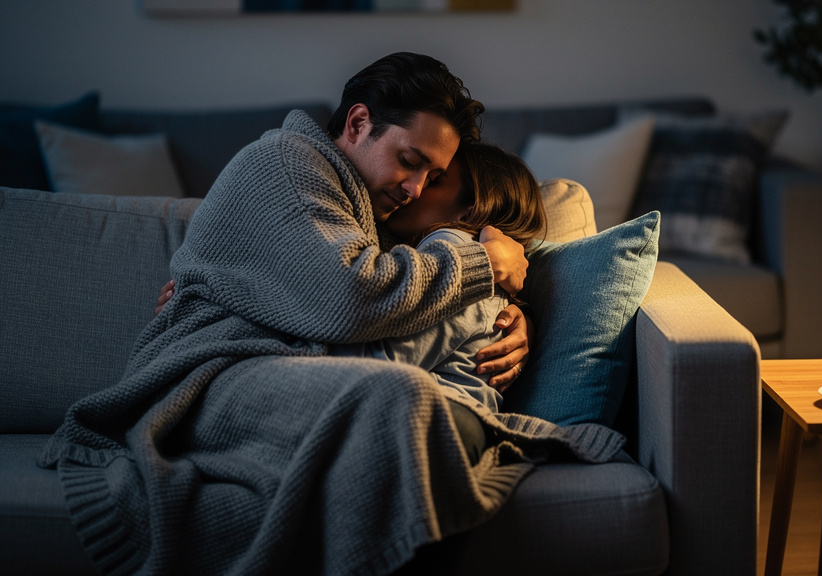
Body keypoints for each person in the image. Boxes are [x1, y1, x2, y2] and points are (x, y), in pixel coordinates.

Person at [39, 53, 623, 576]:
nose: (417, 188)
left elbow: (358, 294)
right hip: (206, 379)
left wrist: (507, 311)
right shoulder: (287, 163)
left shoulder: (365, 210)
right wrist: (479, 265)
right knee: (400, 398)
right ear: (358, 123)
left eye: (433, 178)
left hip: (271, 370)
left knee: (409, 404)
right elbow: (351, 299)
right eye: (410, 161)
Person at [337, 141, 546, 415]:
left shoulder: (454, 246)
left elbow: (383, 361)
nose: (414, 189)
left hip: (436, 416)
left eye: (433, 181)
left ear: (470, 210)